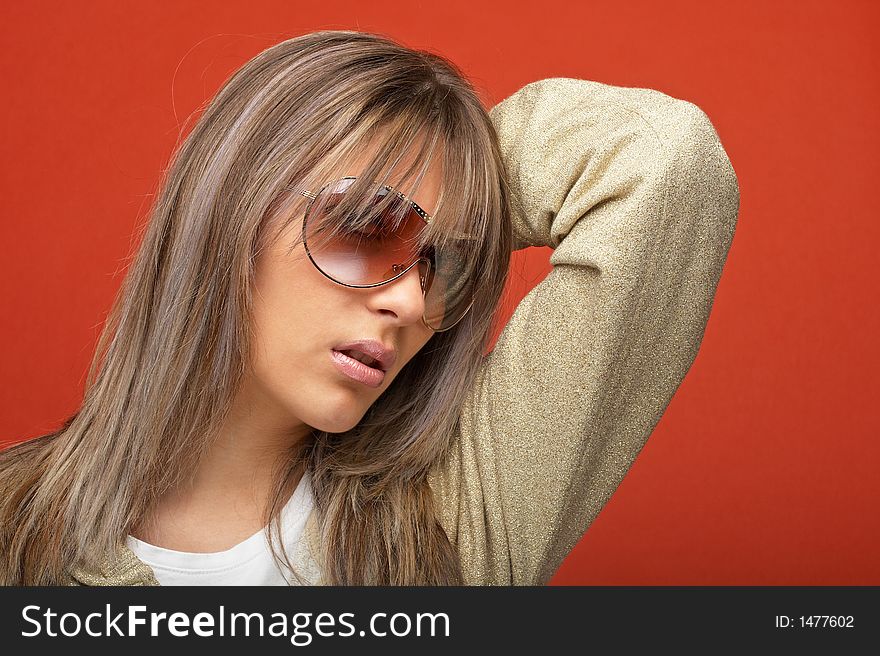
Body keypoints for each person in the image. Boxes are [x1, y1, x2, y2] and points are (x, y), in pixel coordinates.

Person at [0, 30, 740, 586]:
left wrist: (458, 172)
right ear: (228, 210)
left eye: (443, 264)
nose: (412, 301)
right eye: (367, 227)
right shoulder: (15, 531)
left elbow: (666, 160)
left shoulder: (450, 522)